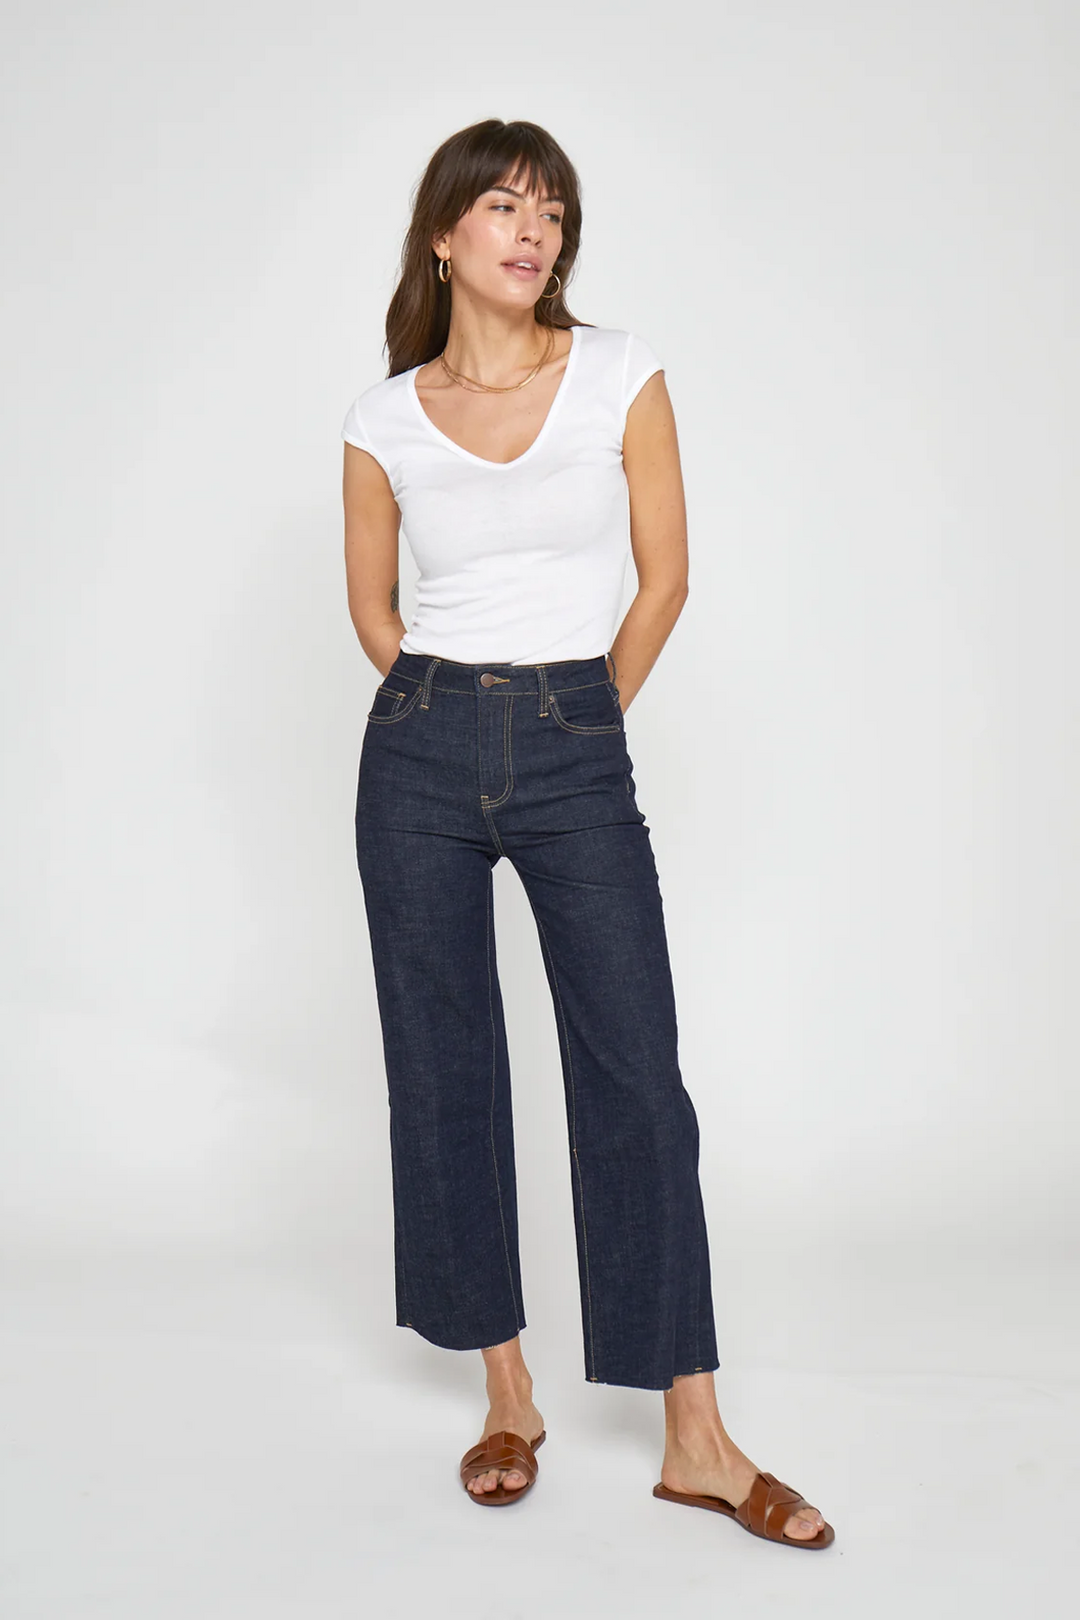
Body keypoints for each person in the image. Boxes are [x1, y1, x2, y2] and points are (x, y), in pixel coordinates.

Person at [340, 118, 834, 1550]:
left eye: (551, 208)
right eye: (504, 204)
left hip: (573, 737)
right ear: (445, 235)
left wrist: (576, 723)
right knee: (445, 1069)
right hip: (417, 749)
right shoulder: (380, 419)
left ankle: (699, 1436)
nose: (534, 228)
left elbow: (665, 578)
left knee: (636, 1075)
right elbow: (374, 610)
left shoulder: (620, 373)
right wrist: (444, 714)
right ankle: (508, 1392)